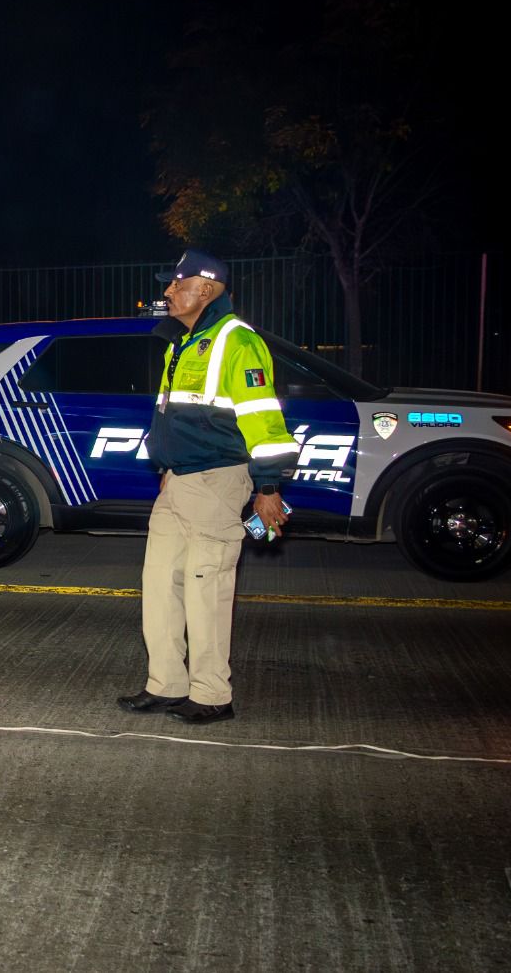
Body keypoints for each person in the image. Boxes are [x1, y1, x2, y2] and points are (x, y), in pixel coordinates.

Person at [118, 250, 300, 723]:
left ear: (206, 288)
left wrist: (268, 487)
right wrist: (166, 470)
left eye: (175, 284)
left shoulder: (237, 341)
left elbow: (262, 417)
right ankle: (167, 684)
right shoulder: (181, 343)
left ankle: (213, 694)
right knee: (159, 586)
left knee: (206, 588)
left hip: (217, 480)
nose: (167, 292)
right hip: (177, 481)